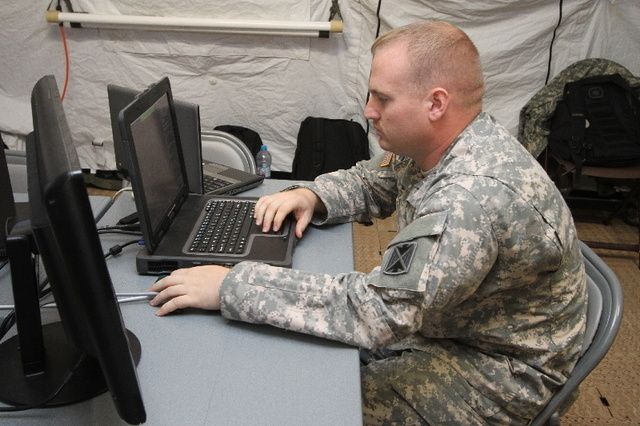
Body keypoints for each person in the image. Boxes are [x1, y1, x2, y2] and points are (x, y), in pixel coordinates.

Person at [150, 20, 587, 425]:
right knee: (303, 351)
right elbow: (373, 181)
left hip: (498, 368)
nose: (369, 110)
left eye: (383, 98)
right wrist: (313, 195)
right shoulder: (447, 142)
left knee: (317, 399)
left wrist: (231, 286)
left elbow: (375, 312)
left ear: (436, 103)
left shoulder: (470, 198)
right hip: (453, 323)